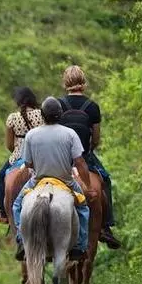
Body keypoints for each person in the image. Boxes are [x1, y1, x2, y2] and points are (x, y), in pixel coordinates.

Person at [12, 97, 97, 262]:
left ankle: (22, 241)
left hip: (38, 181)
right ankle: (79, 246)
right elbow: (79, 162)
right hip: (65, 181)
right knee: (83, 208)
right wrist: (87, 186)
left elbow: (28, 163)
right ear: (60, 115)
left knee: (16, 205)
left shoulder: (31, 135)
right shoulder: (70, 134)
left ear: (42, 115)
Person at [58, 65, 121, 249]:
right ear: (83, 82)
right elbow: (96, 139)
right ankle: (106, 227)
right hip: (85, 156)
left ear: (65, 82)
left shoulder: (59, 104)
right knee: (105, 180)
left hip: (63, 158)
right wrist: (87, 149)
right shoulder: (92, 107)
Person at [0, 87, 44, 224]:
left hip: (19, 156)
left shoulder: (12, 118)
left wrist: (17, 150)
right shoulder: (41, 114)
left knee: (0, 176)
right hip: (39, 156)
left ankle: (3, 214)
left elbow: (10, 145)